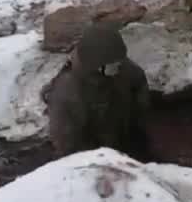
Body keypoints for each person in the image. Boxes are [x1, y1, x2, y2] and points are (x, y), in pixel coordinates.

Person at [48, 23, 154, 161]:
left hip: (125, 139)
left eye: (120, 61)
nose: (120, 65)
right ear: (97, 67)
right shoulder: (67, 94)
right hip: (92, 159)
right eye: (114, 64)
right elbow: (68, 148)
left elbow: (138, 83)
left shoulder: (118, 66)